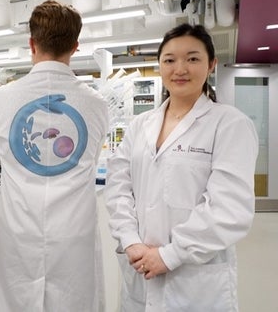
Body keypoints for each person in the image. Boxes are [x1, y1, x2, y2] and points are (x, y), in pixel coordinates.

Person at [105, 23, 258, 311]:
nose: (180, 69)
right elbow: (118, 187)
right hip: (139, 268)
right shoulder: (141, 125)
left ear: (211, 64)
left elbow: (229, 209)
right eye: (170, 60)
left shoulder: (229, 124)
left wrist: (171, 255)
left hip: (195, 278)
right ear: (160, 65)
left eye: (193, 58)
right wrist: (130, 241)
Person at [0, 0, 109, 311]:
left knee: (14, 302)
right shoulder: (96, 104)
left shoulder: (1, 99)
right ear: (75, 46)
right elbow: (91, 158)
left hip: (18, 228)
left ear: (31, 43)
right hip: (73, 230)